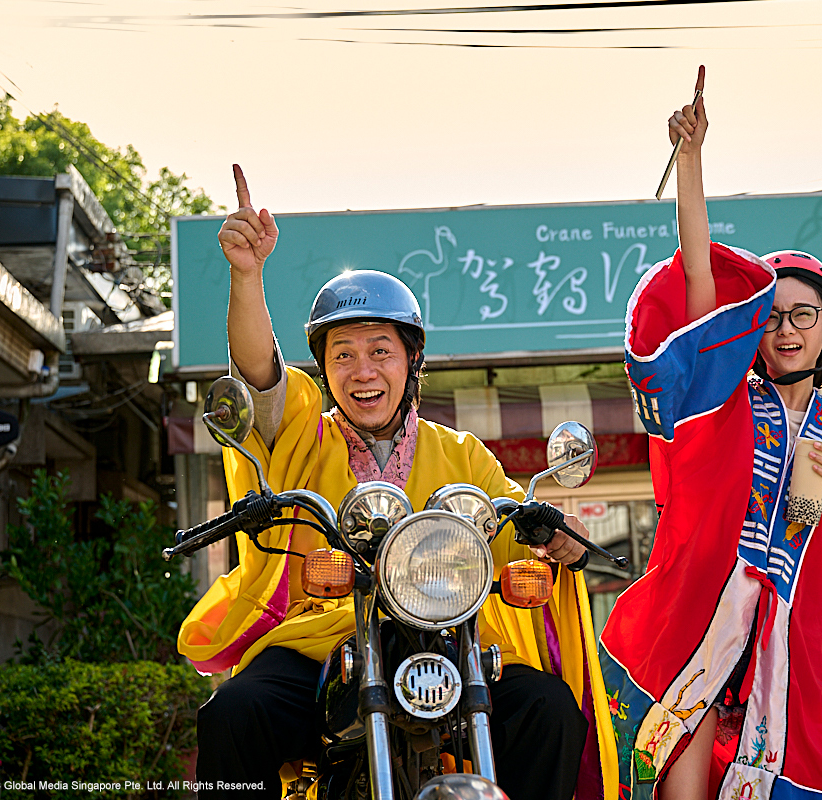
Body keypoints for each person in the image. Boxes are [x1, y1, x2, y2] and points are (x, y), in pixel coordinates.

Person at [177, 166, 619, 800]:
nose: (363, 370)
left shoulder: (463, 454)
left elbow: (514, 532)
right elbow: (258, 377)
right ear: (324, 371)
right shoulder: (302, 433)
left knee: (548, 709)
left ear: (412, 359)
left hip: (451, 640)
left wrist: (558, 539)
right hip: (321, 640)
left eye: (380, 349)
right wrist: (247, 276)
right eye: (343, 354)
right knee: (234, 712)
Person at [599, 68, 822, 800]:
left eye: (805, 315)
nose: (787, 329)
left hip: (785, 646)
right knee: (677, 786)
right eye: (774, 315)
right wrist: (693, 162)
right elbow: (701, 278)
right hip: (697, 615)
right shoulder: (724, 401)